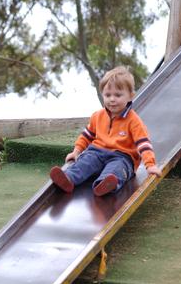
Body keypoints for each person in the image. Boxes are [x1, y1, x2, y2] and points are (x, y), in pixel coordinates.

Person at [50, 66, 161, 196]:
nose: (112, 99)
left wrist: (150, 165)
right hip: (96, 152)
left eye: (118, 95)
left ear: (130, 96)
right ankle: (68, 179)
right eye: (108, 95)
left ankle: (105, 184)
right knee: (86, 161)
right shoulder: (98, 116)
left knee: (117, 169)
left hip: (122, 157)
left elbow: (143, 144)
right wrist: (76, 151)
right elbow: (86, 136)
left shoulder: (134, 121)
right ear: (102, 95)